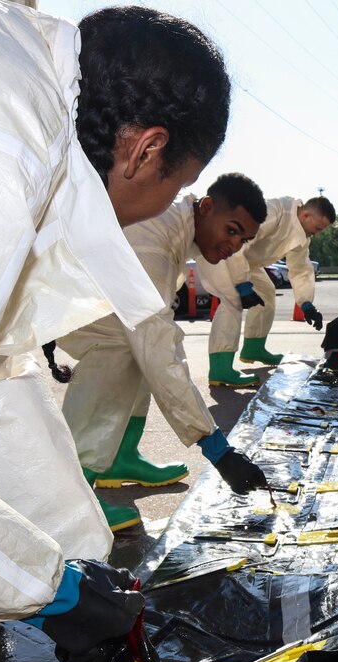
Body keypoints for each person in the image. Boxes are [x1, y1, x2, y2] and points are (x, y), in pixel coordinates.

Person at [0, 0, 230, 662]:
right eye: (176, 183)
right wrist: (42, 584)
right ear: (145, 148)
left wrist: (76, 554)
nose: (169, 201)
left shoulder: (28, 94)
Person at [59, 173, 269, 530]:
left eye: (243, 239)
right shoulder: (154, 240)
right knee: (123, 348)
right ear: (205, 207)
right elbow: (157, 346)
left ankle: (121, 456)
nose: (234, 245)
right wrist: (216, 446)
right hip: (55, 297)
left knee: (139, 346)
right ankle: (70, 496)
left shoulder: (177, 232)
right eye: (231, 230)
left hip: (75, 295)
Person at [196, 196, 336, 387]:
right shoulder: (274, 211)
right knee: (233, 300)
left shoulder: (302, 236)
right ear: (306, 215)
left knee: (266, 293)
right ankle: (220, 369)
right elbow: (237, 236)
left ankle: (254, 348)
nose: (318, 234)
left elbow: (300, 268)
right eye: (318, 228)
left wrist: (306, 303)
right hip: (222, 248)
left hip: (246, 262)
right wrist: (241, 284)